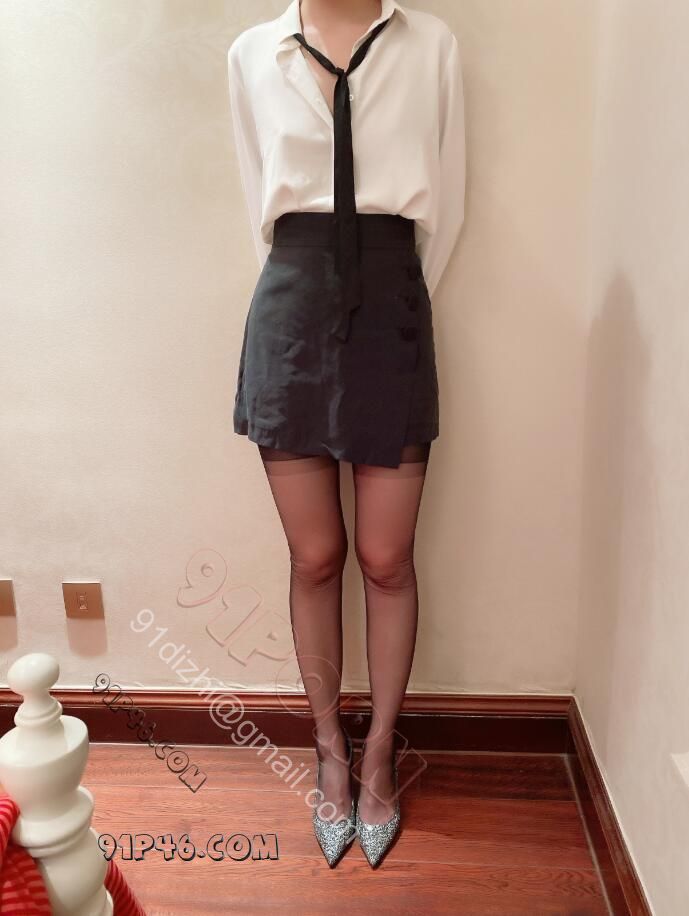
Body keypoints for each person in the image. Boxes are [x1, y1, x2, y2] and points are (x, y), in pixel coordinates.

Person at [227, 0, 465, 868]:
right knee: (315, 558)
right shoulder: (252, 52)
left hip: (391, 300)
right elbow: (255, 189)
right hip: (290, 304)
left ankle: (378, 757)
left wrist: (391, 295)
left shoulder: (430, 44)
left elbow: (448, 201)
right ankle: (328, 751)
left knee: (386, 559)